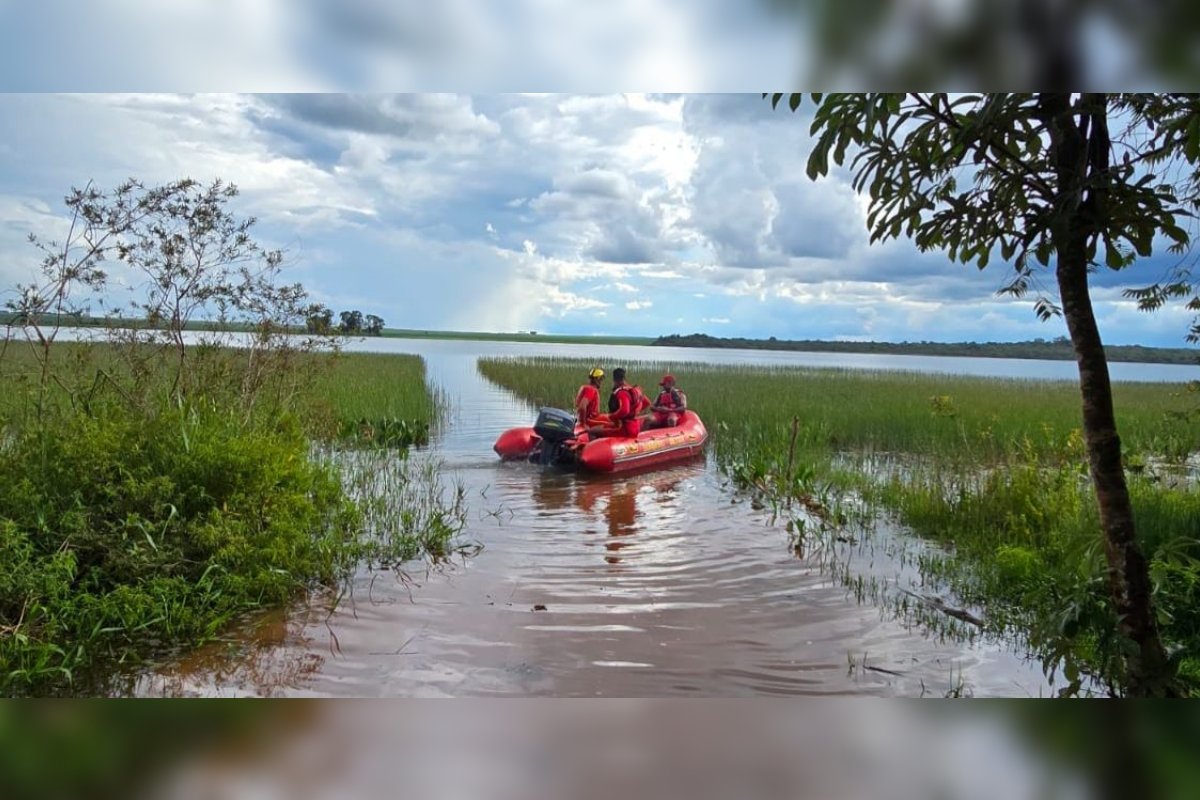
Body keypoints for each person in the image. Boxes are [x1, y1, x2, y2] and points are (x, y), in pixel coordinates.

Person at [599, 367, 650, 438]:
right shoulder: (634, 390)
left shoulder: (622, 393)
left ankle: (592, 448)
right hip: (634, 426)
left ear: (615, 380)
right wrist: (633, 412)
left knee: (593, 431)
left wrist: (612, 416)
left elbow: (624, 410)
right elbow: (646, 402)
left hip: (625, 429)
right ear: (624, 378)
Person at [575, 366, 612, 434]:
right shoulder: (591, 390)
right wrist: (583, 424)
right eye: (600, 379)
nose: (601, 381)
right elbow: (582, 407)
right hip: (590, 420)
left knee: (611, 417)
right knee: (613, 425)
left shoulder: (585, 387)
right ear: (595, 379)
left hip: (592, 418)